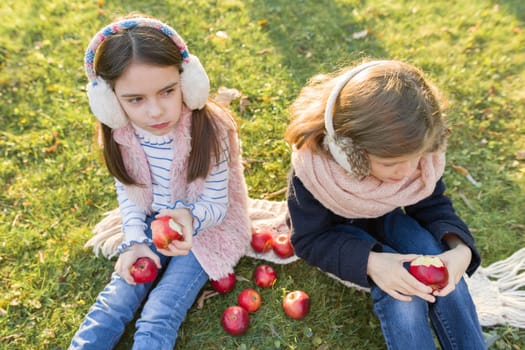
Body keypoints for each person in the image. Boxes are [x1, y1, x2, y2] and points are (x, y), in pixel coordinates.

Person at [70, 14, 250, 349]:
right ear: (109, 102)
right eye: (135, 99)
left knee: (159, 311)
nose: (155, 111)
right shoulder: (120, 133)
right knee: (114, 301)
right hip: (155, 221)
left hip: (206, 229)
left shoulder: (211, 129)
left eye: (168, 91)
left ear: (189, 81)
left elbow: (215, 203)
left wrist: (190, 219)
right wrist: (135, 240)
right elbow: (129, 195)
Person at [285, 60, 487, 349]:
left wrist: (459, 250)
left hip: (388, 217)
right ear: (348, 152)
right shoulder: (316, 173)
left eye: (415, 159)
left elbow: (432, 206)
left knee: (439, 267)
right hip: (337, 234)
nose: (406, 172)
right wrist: (373, 263)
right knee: (402, 295)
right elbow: (309, 240)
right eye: (390, 163)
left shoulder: (417, 161)